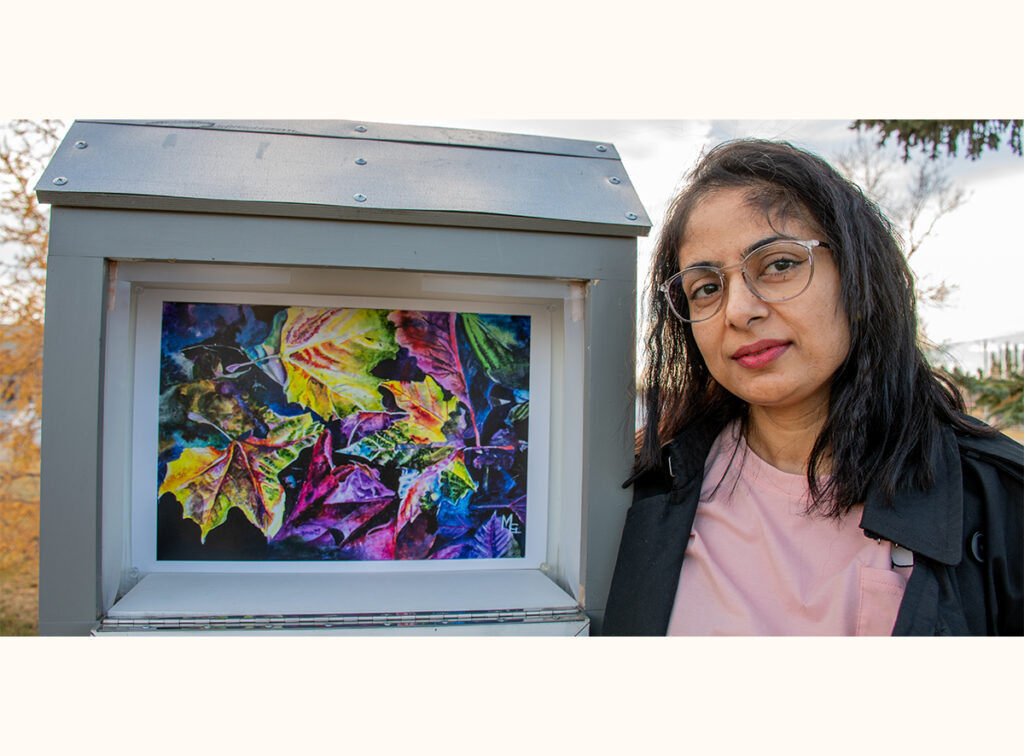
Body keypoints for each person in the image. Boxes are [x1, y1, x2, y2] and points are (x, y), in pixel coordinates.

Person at [602, 139, 1023, 636]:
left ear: (859, 278)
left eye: (779, 264)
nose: (739, 311)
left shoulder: (998, 502)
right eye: (707, 287)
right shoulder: (643, 491)